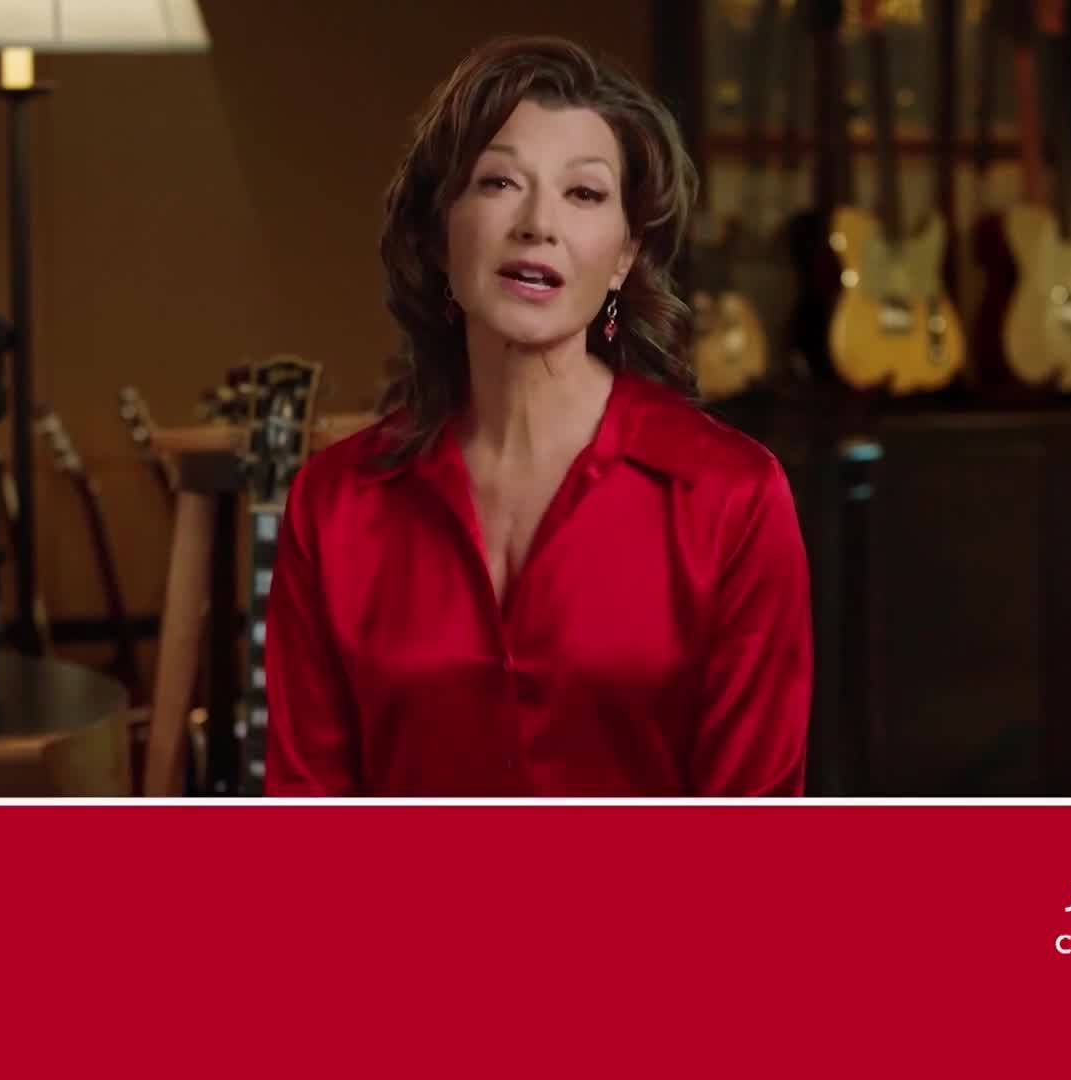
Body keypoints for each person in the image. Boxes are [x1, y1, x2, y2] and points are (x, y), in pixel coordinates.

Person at [262, 35, 812, 796]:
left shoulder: (734, 500)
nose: (537, 224)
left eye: (583, 194)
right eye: (497, 183)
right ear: (438, 235)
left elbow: (755, 840)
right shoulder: (333, 506)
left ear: (623, 255)